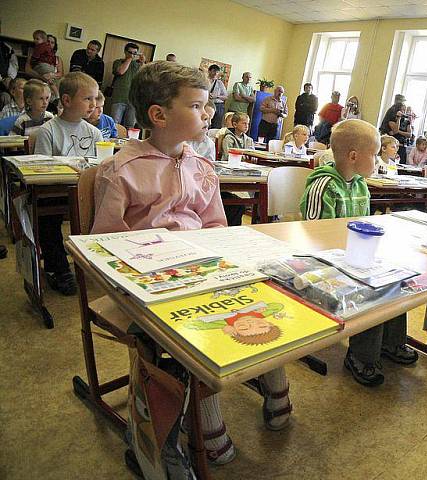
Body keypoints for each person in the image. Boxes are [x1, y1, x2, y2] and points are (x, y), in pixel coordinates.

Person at [92, 61, 292, 464]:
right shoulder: (122, 169)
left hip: (199, 268)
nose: (209, 112)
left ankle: (272, 371)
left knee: (266, 298)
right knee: (196, 328)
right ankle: (204, 416)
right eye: (199, 105)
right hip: (147, 280)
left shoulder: (202, 166)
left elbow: (216, 226)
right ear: (159, 115)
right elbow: (104, 245)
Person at [300, 119, 418, 386]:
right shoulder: (323, 185)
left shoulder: (361, 185)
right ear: (354, 156)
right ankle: (361, 356)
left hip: (351, 257)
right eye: (375, 154)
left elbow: (364, 227)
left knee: (394, 277)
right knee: (372, 285)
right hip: (323, 264)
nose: (378, 160)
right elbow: (314, 239)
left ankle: (391, 342)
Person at [34, 72, 102, 295]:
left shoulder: (94, 133)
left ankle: (96, 262)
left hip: (85, 192)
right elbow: (41, 171)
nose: (93, 104)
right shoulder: (48, 131)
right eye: (87, 99)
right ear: (66, 100)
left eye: (95, 98)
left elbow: (98, 168)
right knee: (47, 220)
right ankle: (58, 269)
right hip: (56, 191)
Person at [110, 43, 144, 128]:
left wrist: (142, 63)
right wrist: (129, 59)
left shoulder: (137, 65)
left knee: (130, 126)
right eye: (130, 52)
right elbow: (121, 71)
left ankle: (128, 142)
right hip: (119, 99)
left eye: (135, 53)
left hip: (133, 100)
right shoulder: (118, 62)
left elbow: (144, 77)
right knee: (115, 124)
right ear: (125, 52)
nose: (132, 55)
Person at [379, 94, 412, 163]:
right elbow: (395, 130)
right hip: (392, 145)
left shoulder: (406, 121)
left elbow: (409, 134)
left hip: (402, 146)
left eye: (404, 110)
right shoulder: (392, 117)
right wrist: (399, 118)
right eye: (402, 110)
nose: (404, 112)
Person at [207, 64, 228, 129]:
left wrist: (216, 96)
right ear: (209, 71)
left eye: (217, 72)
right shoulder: (203, 80)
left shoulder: (219, 83)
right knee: (205, 123)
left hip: (218, 106)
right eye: (214, 71)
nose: (215, 73)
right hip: (206, 105)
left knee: (216, 126)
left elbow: (225, 97)